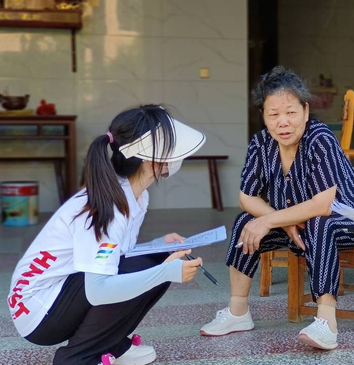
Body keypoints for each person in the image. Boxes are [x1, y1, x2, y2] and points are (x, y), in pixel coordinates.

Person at [7, 105, 206, 365]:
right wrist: (166, 272)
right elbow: (99, 290)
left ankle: (112, 344)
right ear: (151, 158)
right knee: (158, 267)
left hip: (55, 297)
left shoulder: (134, 194)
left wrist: (159, 246)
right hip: (40, 314)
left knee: (158, 257)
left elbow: (115, 254)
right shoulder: (109, 206)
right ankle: (77, 358)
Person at [199, 66, 354, 350]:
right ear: (264, 116)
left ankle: (326, 322)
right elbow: (247, 198)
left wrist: (271, 220)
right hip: (297, 223)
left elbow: (323, 205)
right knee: (245, 220)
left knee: (320, 222)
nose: (283, 122)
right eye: (274, 114)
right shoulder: (261, 143)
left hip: (351, 220)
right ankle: (237, 312)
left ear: (306, 112)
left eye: (291, 112)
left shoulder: (319, 138)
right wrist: (279, 221)